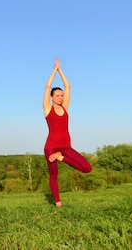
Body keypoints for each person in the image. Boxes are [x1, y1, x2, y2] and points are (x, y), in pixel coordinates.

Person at [43, 58, 92, 207]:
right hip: (51, 147)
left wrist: (60, 70)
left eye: (62, 95)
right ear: (51, 97)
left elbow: (68, 85)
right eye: (57, 95)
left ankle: (60, 158)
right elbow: (47, 86)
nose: (60, 97)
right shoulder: (47, 108)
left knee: (87, 168)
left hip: (65, 148)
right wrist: (53, 71)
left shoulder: (65, 108)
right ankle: (58, 203)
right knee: (54, 176)